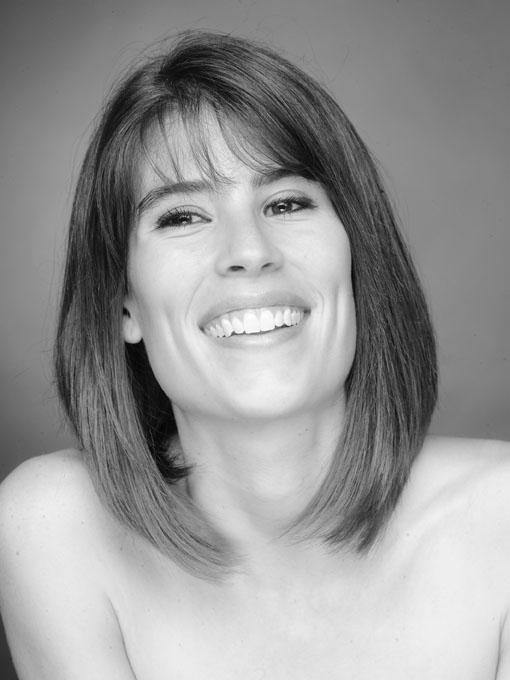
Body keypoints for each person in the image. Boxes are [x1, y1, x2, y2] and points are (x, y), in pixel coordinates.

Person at [0, 29, 508, 679]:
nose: (249, 250)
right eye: (182, 216)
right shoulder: (53, 528)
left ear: (357, 258)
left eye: (286, 202)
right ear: (122, 302)